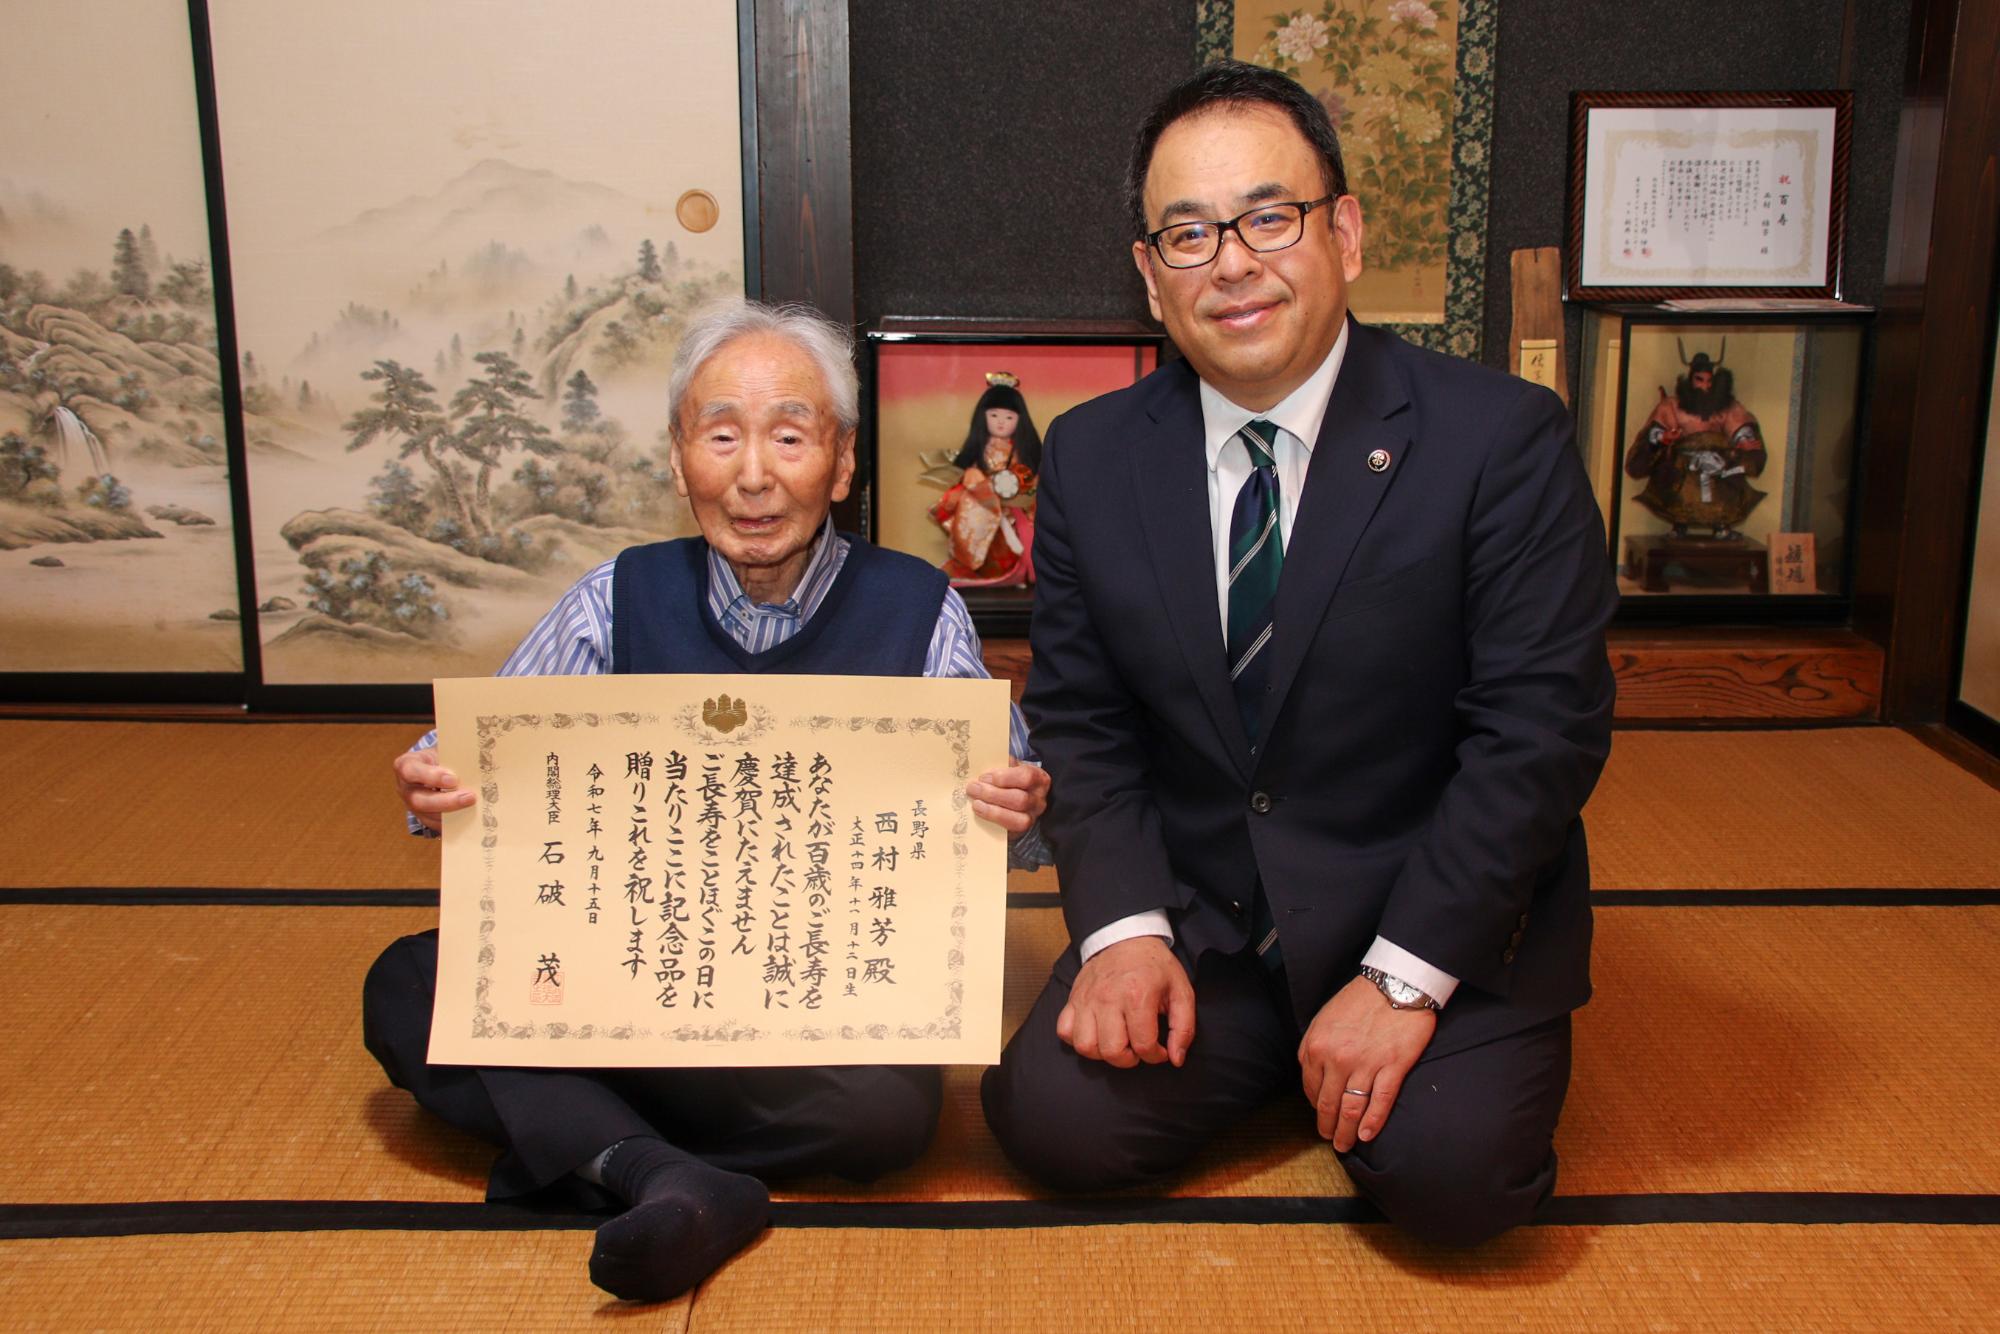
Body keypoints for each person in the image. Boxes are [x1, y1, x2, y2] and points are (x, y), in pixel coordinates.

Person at [980, 61, 1616, 1247]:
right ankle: (1276, 1050)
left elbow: (1538, 733)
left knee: (1453, 1183)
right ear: (1147, 274)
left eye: (1267, 216)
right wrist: (1121, 934)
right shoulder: (1090, 454)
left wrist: (1398, 982)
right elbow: (1082, 716)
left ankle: (1363, 1044)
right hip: (1210, 916)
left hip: (1425, 911)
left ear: (1346, 230)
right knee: (1050, 1125)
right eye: (1185, 232)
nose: (1230, 260)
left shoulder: (1496, 439)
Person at [365, 298, 1051, 1304]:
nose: (754, 473)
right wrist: (433, 783)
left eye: (788, 433)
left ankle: (603, 1141)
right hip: (630, 979)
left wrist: (1012, 798)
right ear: (681, 459)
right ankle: (668, 1172)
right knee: (408, 984)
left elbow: (1014, 814)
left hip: (810, 1003)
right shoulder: (616, 594)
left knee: (893, 1110)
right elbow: (466, 762)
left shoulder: (916, 607)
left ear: (843, 462)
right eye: (720, 433)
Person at [1623, 341, 1768, 539]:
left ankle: (1721, 526)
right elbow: (1654, 432)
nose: (1705, 386)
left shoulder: (1726, 405)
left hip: (1718, 464)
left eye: (1709, 381)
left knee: (1725, 491)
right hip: (1684, 464)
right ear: (1690, 379)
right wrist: (1664, 437)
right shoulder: (1672, 405)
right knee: (1678, 490)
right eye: (1699, 380)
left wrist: (1742, 442)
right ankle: (1679, 525)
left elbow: (1739, 424)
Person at [930, 373, 1043, 585]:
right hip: (982, 503)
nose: (1001, 422)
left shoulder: (1022, 451)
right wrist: (980, 485)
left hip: (1016, 506)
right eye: (994, 415)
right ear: (983, 417)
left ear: (1020, 420)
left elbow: (1031, 479)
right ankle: (979, 567)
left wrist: (1019, 488)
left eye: (1009, 417)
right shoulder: (978, 449)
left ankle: (1020, 569)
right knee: (969, 502)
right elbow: (966, 477)